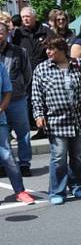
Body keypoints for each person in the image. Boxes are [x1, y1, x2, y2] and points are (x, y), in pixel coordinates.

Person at [31, 36, 81, 205]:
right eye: (47, 49)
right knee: (58, 156)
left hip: (80, 119)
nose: (48, 52)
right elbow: (36, 95)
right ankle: (57, 191)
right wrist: (39, 115)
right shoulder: (42, 69)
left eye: (51, 48)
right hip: (57, 121)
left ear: (62, 50)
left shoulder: (78, 64)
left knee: (77, 156)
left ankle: (77, 186)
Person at [13, 6, 53, 139]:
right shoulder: (17, 34)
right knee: (31, 101)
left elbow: (54, 48)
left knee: (45, 101)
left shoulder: (45, 31)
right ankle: (35, 125)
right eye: (23, 17)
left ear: (34, 17)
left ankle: (45, 129)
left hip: (44, 72)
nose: (25, 19)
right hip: (25, 73)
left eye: (28, 16)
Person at [0, 20, 33, 178]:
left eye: (1, 32)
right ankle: (3, 165)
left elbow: (27, 76)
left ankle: (25, 163)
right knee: (2, 135)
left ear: (7, 34)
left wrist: (19, 89)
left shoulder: (20, 52)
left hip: (17, 99)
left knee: (23, 133)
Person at [0, 59, 35, 204]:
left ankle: (20, 191)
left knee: (7, 156)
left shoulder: (1, 66)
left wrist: (1, 108)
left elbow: (7, 91)